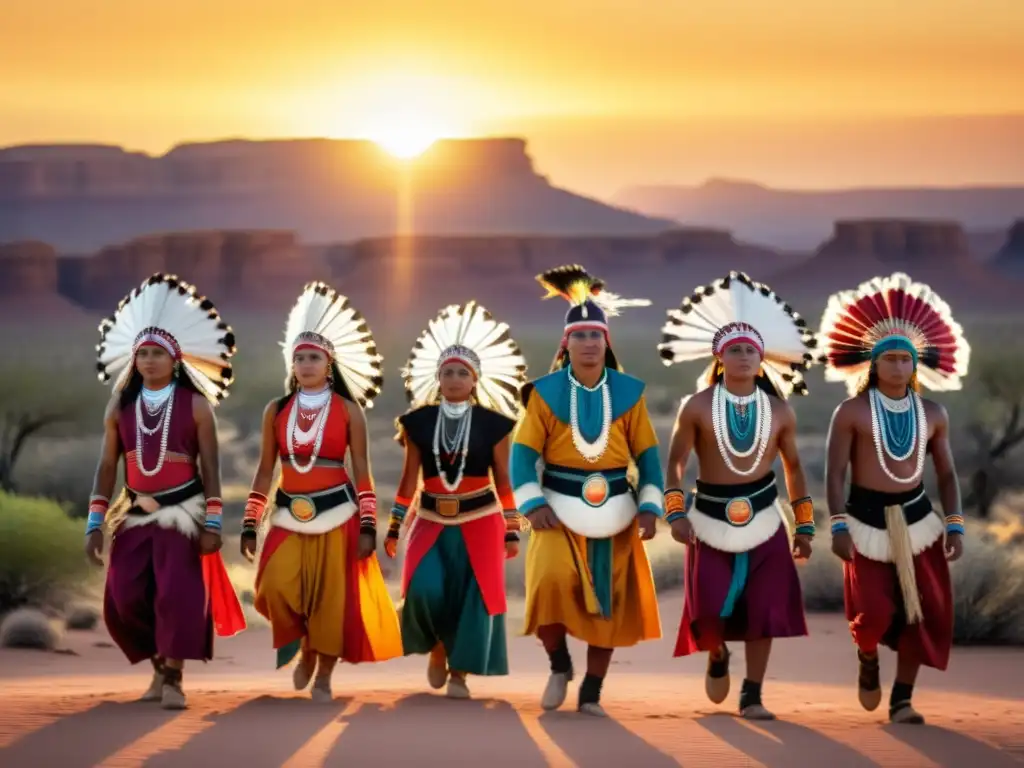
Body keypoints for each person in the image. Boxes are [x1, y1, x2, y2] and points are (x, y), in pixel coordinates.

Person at [659, 271, 819, 720]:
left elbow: (793, 468)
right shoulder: (695, 406)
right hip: (708, 518)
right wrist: (676, 513)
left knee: (764, 609)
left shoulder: (781, 410)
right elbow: (674, 463)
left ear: (762, 357)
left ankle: (753, 693)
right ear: (720, 356)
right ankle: (715, 654)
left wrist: (804, 526)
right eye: (735, 350)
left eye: (751, 349)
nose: (744, 356)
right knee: (708, 606)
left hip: (767, 518)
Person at [87, 273, 246, 710]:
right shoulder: (119, 406)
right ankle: (159, 667)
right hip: (133, 514)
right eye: (143, 354)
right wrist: (95, 523)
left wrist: (213, 522)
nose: (149, 361)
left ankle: (174, 678)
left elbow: (211, 467)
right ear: (132, 360)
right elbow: (106, 466)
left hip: (184, 513)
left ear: (176, 360)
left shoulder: (196, 406)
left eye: (158, 353)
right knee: (125, 595)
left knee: (177, 595)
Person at [510, 264, 664, 717]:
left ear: (607, 342)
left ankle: (593, 690)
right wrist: (532, 503)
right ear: (566, 343)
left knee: (610, 609)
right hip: (554, 508)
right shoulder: (544, 394)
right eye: (580, 336)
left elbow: (649, 457)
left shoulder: (629, 393)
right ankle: (559, 664)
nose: (589, 344)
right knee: (549, 584)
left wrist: (650, 507)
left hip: (616, 509)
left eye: (596, 336)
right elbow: (521, 456)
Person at [819, 271, 970, 724]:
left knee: (920, 614)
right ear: (873, 363)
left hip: (920, 521)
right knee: (874, 611)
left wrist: (955, 522)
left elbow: (946, 472)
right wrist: (839, 523)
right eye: (891, 359)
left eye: (907, 359)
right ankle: (867, 656)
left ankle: (902, 699)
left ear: (916, 364)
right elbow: (834, 472)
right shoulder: (851, 412)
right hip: (864, 523)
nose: (899, 367)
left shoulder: (933, 413)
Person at [240, 282, 402, 702]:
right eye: (299, 358)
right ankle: (305, 646)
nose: (306, 364)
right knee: (275, 587)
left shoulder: (350, 410)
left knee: (334, 600)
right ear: (291, 365)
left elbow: (362, 469)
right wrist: (249, 523)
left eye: (314, 357)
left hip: (338, 515)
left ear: (328, 365)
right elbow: (263, 469)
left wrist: (369, 525)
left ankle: (325, 672)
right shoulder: (276, 410)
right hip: (287, 512)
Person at [385, 300, 529, 698]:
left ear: (475, 379)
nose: (453, 379)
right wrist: (395, 525)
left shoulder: (496, 425)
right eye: (447, 372)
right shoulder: (416, 422)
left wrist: (512, 529)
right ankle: (436, 646)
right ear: (437, 377)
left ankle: (460, 673)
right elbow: (407, 479)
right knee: (423, 588)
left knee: (475, 595)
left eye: (461, 373)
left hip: (482, 521)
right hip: (429, 520)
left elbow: (504, 480)